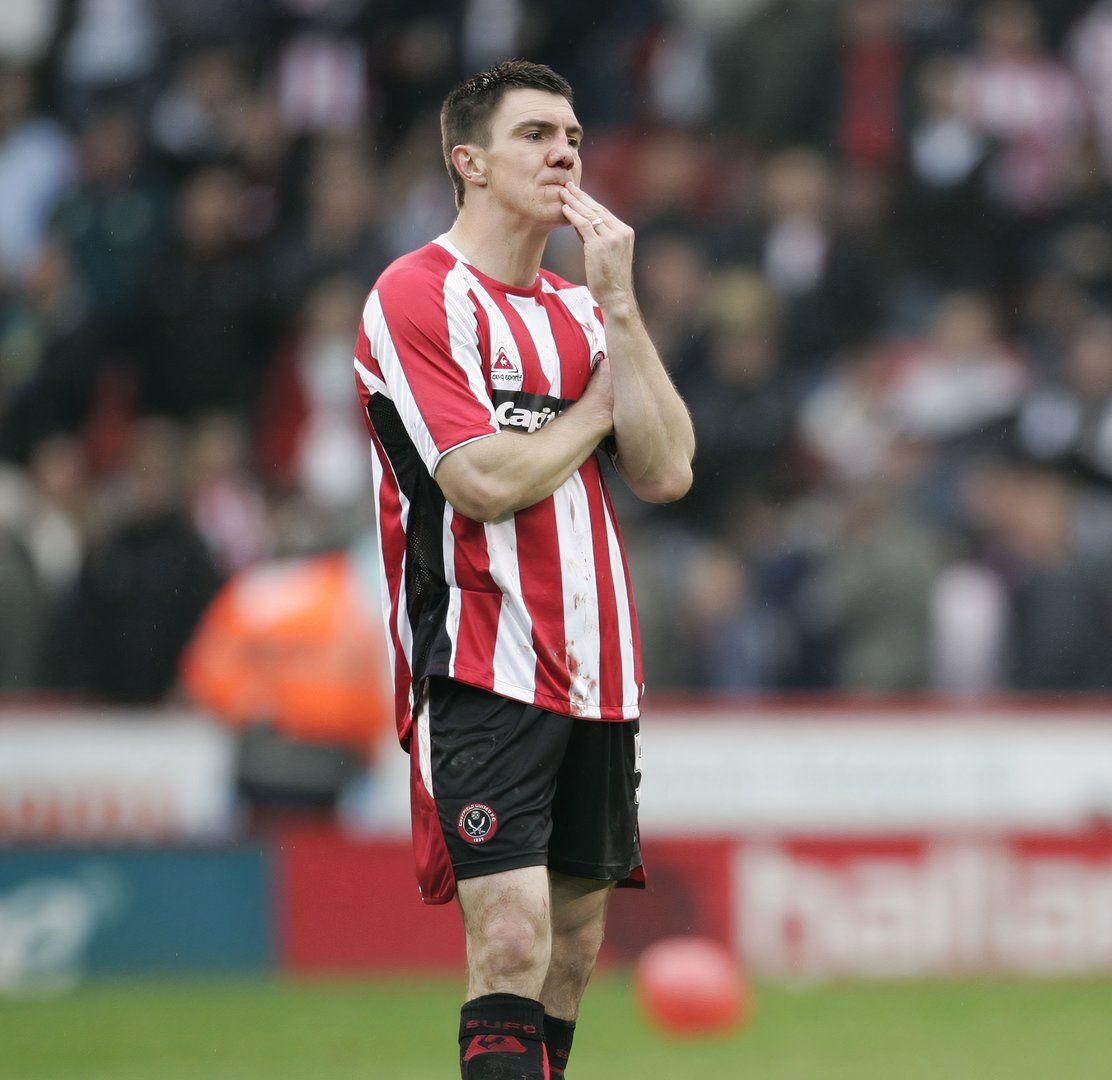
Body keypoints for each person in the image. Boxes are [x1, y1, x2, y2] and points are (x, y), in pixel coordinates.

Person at [352, 60, 695, 1079]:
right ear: (468, 161)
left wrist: (623, 311)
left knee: (572, 955)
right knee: (508, 940)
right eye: (537, 135)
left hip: (598, 664)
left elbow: (669, 466)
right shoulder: (414, 295)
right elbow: (482, 482)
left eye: (576, 139)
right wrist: (593, 412)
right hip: (480, 656)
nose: (565, 155)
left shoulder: (585, 311)